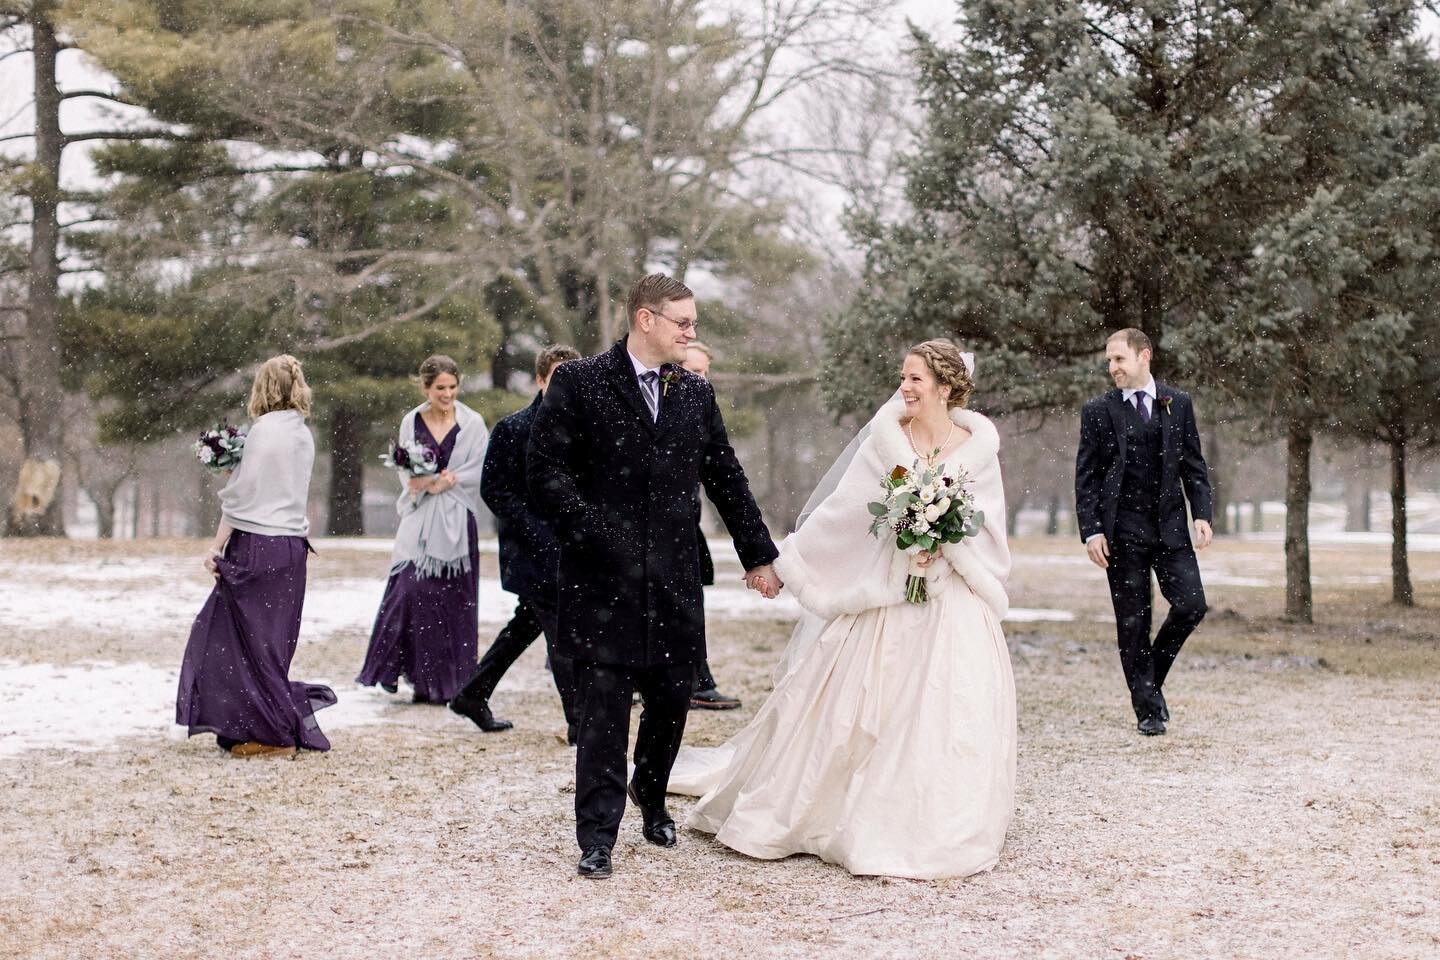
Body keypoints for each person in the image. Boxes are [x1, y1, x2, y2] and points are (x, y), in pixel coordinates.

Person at [668, 340, 1015, 879]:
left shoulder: (977, 447)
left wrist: (946, 544)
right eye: (903, 376)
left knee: (948, 709)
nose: (905, 387)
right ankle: (826, 812)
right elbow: (843, 513)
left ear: (946, 387)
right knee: (858, 711)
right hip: (885, 597)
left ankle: (926, 822)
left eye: (917, 379)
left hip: (952, 599)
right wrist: (782, 564)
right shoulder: (886, 441)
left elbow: (989, 525)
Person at [528, 273, 782, 880]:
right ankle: (597, 834)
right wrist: (596, 532)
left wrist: (758, 555)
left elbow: (725, 476)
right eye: (683, 322)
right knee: (603, 712)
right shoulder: (581, 383)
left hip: (672, 579)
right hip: (600, 580)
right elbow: (543, 473)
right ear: (646, 319)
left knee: (670, 704)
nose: (692, 333)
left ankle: (653, 790)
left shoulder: (696, 394)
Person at [177, 355, 335, 758]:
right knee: (271, 642)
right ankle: (252, 722)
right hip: (291, 548)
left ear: (262, 388)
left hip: (258, 544)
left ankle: (272, 732)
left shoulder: (263, 432)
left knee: (228, 639)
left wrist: (216, 546)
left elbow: (242, 499)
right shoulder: (303, 433)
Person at [1075, 328, 1212, 736]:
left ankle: (1147, 680)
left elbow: (1194, 464)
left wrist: (1201, 514)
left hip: (1171, 529)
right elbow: (1087, 478)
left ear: (1144, 356)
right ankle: (1148, 711)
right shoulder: (1098, 411)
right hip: (1122, 532)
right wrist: (1092, 531)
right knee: (1133, 622)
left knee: (1192, 605)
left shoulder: (1178, 403)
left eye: (1118, 359)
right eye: (1109, 361)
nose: (1112, 368)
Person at [450, 345, 583, 739]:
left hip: (573, 547)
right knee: (562, 633)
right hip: (530, 550)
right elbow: (495, 490)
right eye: (557, 378)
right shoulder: (512, 429)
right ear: (540, 380)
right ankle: (580, 724)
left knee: (527, 625)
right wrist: (538, 530)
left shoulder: (585, 429)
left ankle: (472, 694)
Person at [357, 355, 489, 704]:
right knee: (409, 588)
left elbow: (481, 467)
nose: (447, 394)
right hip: (419, 516)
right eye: (440, 388)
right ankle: (402, 669)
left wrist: (450, 482)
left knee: (451, 599)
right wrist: (423, 484)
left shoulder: (472, 423)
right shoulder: (411, 421)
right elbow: (404, 466)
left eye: (452, 387)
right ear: (426, 388)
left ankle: (447, 682)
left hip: (457, 520)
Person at [679, 341, 742, 711]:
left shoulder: (702, 411)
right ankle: (695, 681)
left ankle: (698, 679)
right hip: (663, 528)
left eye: (706, 372)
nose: (703, 379)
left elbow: (723, 474)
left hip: (688, 523)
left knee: (693, 600)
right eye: (695, 371)